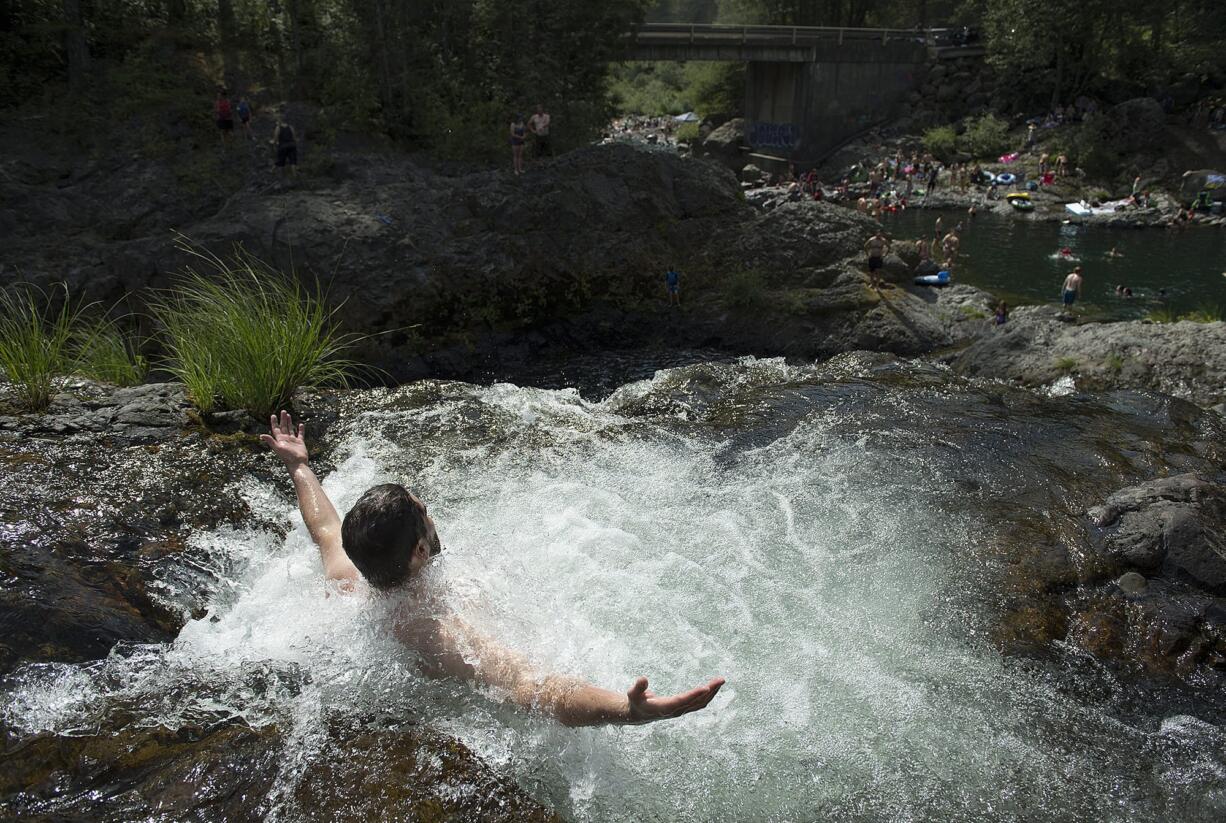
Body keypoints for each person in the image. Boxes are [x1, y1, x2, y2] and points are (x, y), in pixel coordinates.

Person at [260, 410, 725, 727]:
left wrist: (299, 465)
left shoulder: (349, 579)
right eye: (426, 514)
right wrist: (624, 710)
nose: (432, 515)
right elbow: (532, 689)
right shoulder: (433, 630)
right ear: (420, 552)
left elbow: (324, 526)